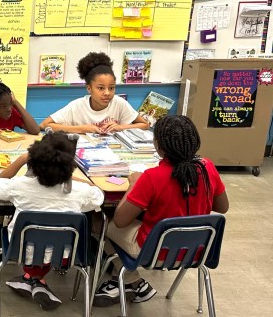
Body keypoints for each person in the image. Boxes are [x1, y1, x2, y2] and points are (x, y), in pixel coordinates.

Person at [93, 115, 229, 307]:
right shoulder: (207, 167)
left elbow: (120, 220)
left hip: (155, 252)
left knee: (99, 220)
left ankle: (131, 279)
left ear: (158, 145)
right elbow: (222, 207)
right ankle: (121, 280)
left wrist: (134, 184)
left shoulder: (151, 177)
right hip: (197, 250)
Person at [0, 132, 104, 311]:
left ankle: (32, 279)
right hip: (67, 255)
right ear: (71, 165)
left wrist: (21, 159)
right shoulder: (81, 191)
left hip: (20, 251)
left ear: (32, 161)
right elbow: (99, 196)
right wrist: (70, 176)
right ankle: (35, 281)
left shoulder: (20, 186)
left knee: (9, 230)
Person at [40, 52, 149, 134]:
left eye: (111, 88)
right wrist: (82, 129)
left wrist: (120, 127)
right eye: (101, 88)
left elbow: (145, 125)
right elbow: (44, 125)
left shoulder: (119, 103)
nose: (107, 93)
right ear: (89, 88)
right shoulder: (77, 106)